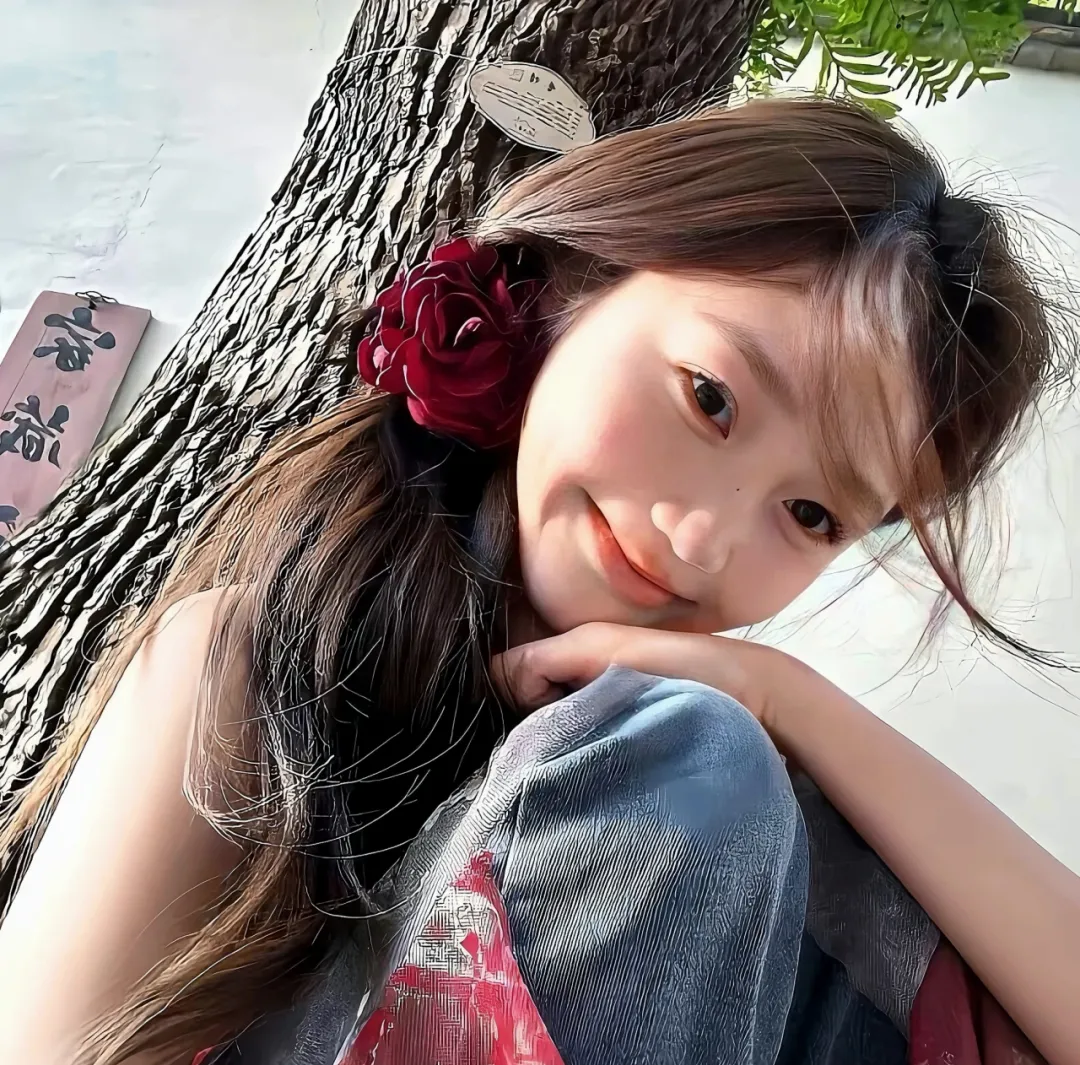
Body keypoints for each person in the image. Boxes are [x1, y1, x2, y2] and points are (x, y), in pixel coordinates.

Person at [0, 94, 1077, 1065]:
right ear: (568, 292)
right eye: (710, 398)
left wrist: (789, 698)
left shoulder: (755, 798)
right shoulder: (248, 669)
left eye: (811, 516)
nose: (701, 542)